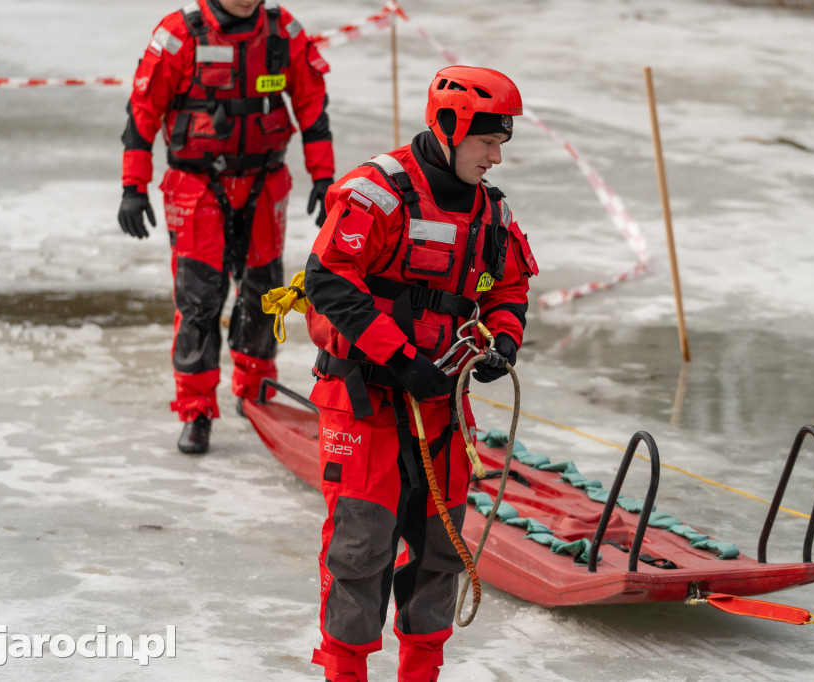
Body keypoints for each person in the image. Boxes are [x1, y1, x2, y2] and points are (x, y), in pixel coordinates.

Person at [303, 66, 539, 682]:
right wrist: (402, 361)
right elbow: (329, 280)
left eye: (501, 143)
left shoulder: (493, 212)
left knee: (441, 550)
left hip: (441, 405)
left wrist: (504, 342)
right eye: (487, 142)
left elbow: (509, 286)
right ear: (449, 126)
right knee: (360, 550)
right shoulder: (377, 192)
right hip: (366, 399)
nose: (495, 157)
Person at [117, 0, 334, 454]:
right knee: (199, 298)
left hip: (264, 181)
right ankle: (195, 410)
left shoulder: (284, 30)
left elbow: (312, 104)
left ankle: (255, 391)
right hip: (196, 185)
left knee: (263, 292)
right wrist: (133, 186)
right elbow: (142, 111)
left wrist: (324, 176)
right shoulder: (179, 34)